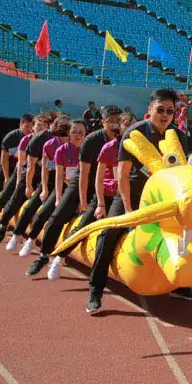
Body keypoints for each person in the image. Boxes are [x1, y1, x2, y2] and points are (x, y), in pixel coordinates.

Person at [86, 89, 192, 314]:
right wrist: (128, 210)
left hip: (161, 198)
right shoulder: (134, 133)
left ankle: (180, 285)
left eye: (170, 111)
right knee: (109, 234)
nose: (165, 115)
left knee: (183, 234)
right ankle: (95, 290)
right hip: (132, 193)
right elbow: (123, 175)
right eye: (160, 110)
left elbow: (180, 172)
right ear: (150, 110)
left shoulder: (178, 136)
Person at [27, 107, 121, 276]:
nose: (115, 125)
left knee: (87, 222)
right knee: (57, 216)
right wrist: (82, 201)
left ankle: (62, 255)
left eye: (118, 121)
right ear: (103, 122)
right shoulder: (92, 140)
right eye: (111, 121)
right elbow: (84, 174)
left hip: (104, 185)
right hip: (82, 181)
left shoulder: (124, 139)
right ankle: (43, 256)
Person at [47, 113, 135, 280]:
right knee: (84, 224)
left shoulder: (137, 147)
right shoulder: (108, 147)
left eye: (134, 124)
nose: (132, 127)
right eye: (127, 124)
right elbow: (98, 178)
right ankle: (60, 256)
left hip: (126, 196)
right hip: (107, 195)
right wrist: (99, 203)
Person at [5, 116, 69, 251]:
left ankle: (41, 246)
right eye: (62, 126)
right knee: (31, 205)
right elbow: (40, 168)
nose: (65, 130)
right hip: (49, 179)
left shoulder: (75, 143)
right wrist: (42, 188)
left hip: (67, 183)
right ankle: (16, 234)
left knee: (48, 212)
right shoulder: (47, 143)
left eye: (67, 126)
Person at [0, 114, 50, 241]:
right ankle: (3, 225)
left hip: (41, 175)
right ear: (33, 127)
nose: (41, 128)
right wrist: (19, 181)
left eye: (44, 126)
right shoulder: (25, 140)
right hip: (23, 172)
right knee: (11, 196)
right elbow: (20, 163)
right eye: (38, 125)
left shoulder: (49, 141)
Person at [0, 114, 33, 195]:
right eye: (27, 126)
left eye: (32, 127)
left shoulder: (36, 138)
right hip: (9, 165)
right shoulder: (10, 137)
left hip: (26, 168)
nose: (30, 129)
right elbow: (4, 159)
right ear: (20, 125)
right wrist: (6, 178)